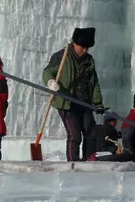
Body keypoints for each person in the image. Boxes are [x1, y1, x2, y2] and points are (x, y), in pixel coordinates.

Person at [42, 27, 104, 161]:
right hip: (66, 103)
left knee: (91, 132)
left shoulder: (89, 60)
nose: (85, 50)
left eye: (87, 48)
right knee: (74, 135)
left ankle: (89, 159)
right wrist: (50, 82)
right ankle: (72, 163)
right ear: (74, 43)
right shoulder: (61, 57)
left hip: (84, 102)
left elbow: (94, 82)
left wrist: (98, 102)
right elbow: (47, 72)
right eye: (82, 47)